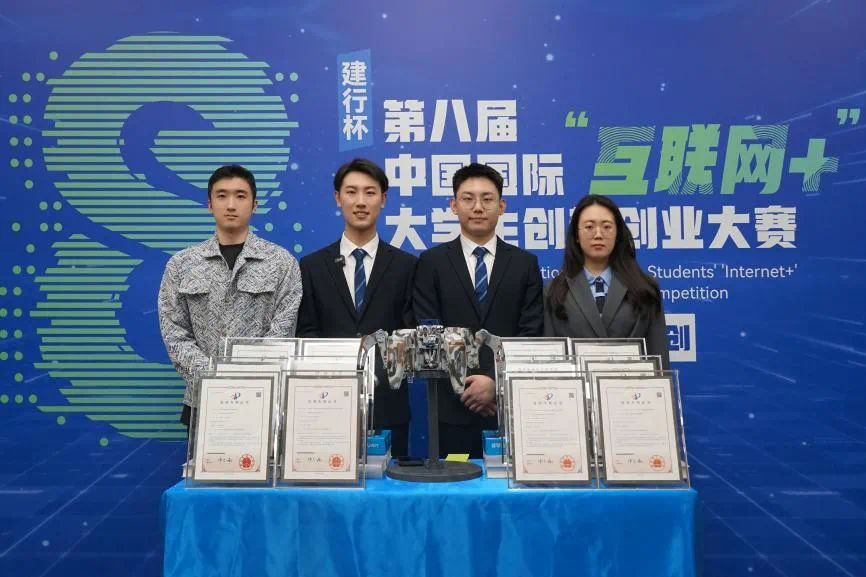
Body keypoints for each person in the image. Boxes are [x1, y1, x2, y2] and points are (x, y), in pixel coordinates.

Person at [158, 164, 303, 432]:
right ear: (210, 204)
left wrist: (248, 379)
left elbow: (283, 331)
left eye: (240, 196)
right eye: (222, 196)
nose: (231, 205)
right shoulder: (182, 265)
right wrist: (213, 377)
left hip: (264, 399)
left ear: (254, 205)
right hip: (202, 400)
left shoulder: (282, 263)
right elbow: (175, 334)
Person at [414, 163, 543, 458]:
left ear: (501, 206)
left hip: (508, 406)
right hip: (452, 407)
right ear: (454, 205)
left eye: (487, 199)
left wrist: (494, 382)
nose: (478, 207)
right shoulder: (431, 263)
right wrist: (468, 385)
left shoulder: (525, 264)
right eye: (468, 198)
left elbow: (531, 332)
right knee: (456, 480)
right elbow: (428, 330)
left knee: (508, 482)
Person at [296, 158, 417, 457]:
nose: (360, 202)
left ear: (383, 199)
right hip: (326, 403)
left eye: (370, 192)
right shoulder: (312, 266)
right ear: (338, 198)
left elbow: (410, 332)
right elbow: (306, 331)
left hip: (388, 407)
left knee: (390, 484)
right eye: (351, 192)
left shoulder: (407, 266)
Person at [543, 194, 670, 367]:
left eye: (607, 227)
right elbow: (551, 362)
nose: (598, 234)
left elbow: (659, 359)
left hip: (632, 383)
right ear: (576, 236)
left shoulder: (646, 288)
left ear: (617, 233)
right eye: (589, 227)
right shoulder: (554, 291)